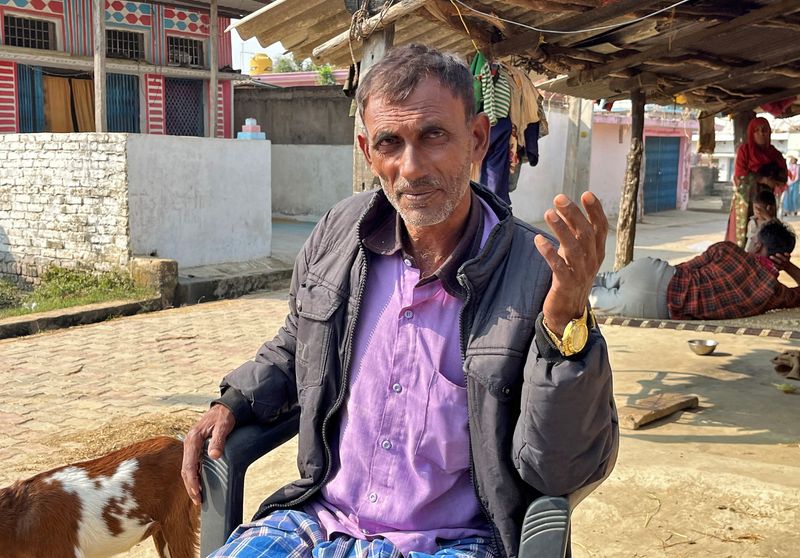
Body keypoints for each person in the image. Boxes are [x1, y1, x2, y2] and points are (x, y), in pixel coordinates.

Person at [181, 44, 618, 558]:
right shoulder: (339, 234)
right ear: (368, 152)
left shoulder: (536, 271)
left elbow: (560, 467)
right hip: (319, 522)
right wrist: (234, 402)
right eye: (390, 142)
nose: (410, 168)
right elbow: (296, 345)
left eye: (433, 136)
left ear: (477, 139)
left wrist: (566, 329)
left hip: (454, 543)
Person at [591, 220, 800, 320]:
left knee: (604, 279)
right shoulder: (774, 293)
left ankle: (562, 270)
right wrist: (788, 266)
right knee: (591, 295)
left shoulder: (727, 249)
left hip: (655, 273)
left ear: (758, 246)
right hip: (655, 309)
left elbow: (685, 268)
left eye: (753, 238)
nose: (750, 239)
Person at [725, 117, 787, 248]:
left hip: (766, 200)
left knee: (765, 235)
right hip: (745, 200)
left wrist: (774, 181)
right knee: (741, 236)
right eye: (756, 130)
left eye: (764, 130)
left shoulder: (775, 154)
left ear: (769, 132)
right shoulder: (745, 151)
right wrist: (763, 179)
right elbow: (741, 176)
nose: (761, 133)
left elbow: (783, 178)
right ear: (751, 133)